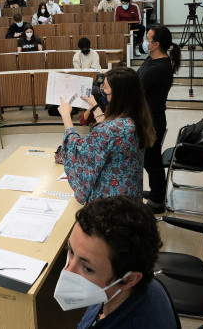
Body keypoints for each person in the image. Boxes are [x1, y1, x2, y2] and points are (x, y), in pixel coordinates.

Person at [54, 196, 177, 329]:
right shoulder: (121, 289)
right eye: (71, 251)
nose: (67, 271)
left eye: (87, 268)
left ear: (128, 279)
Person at [58, 67, 155, 204]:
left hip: (109, 204)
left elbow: (79, 150)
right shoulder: (137, 119)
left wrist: (66, 116)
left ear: (118, 94)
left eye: (105, 87)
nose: (102, 90)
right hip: (130, 197)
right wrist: (94, 106)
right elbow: (111, 134)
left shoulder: (110, 130)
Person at [138, 26, 181, 214]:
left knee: (151, 161)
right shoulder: (152, 59)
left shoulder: (160, 68)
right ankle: (157, 192)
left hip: (153, 122)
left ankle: (157, 201)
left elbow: (138, 85)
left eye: (148, 39)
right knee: (150, 159)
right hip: (148, 118)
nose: (145, 42)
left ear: (156, 45)